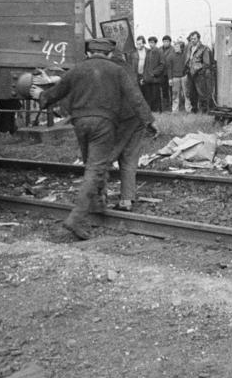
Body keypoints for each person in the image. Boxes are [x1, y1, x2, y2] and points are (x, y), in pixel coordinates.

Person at [40, 38, 156, 239]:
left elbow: (56, 93)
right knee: (95, 168)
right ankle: (75, 220)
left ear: (89, 53)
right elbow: (135, 98)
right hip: (103, 124)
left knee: (92, 164)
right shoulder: (116, 70)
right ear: (110, 54)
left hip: (80, 123)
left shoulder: (77, 69)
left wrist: (40, 97)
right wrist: (149, 121)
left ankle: (98, 203)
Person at [186, 30, 215, 113]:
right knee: (191, 94)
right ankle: (194, 110)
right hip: (190, 74)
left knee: (202, 94)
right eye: (191, 39)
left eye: (194, 38)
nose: (192, 40)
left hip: (200, 75)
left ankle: (204, 111)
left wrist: (197, 68)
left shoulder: (204, 48)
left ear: (198, 39)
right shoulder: (190, 48)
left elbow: (207, 63)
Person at [141, 36, 167, 112]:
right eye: (149, 42)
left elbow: (162, 65)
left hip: (156, 79)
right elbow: (146, 65)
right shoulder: (148, 52)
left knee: (156, 95)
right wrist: (144, 77)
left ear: (155, 43)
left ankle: (158, 110)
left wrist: (154, 73)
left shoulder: (160, 52)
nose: (150, 44)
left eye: (152, 42)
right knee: (149, 95)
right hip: (148, 78)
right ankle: (151, 110)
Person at [166, 38, 189, 112]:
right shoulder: (170, 56)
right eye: (175, 46)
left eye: (177, 47)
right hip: (175, 78)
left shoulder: (185, 55)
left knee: (187, 94)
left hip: (184, 77)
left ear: (181, 48)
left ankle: (188, 109)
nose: (175, 48)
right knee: (175, 95)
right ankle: (175, 110)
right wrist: (170, 79)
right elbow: (169, 68)